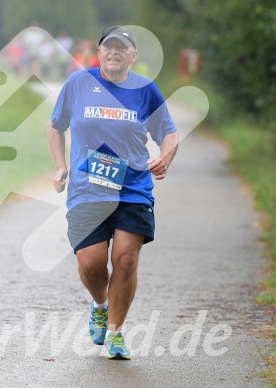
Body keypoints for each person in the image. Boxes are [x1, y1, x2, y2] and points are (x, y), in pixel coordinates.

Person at [48, 26, 178, 360]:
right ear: (99, 52)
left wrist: (164, 158)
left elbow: (169, 132)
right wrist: (61, 165)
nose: (115, 52)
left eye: (122, 48)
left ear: (133, 55)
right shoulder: (78, 84)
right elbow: (56, 125)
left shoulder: (145, 90)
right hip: (87, 188)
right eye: (109, 46)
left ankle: (117, 333)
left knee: (126, 258)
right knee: (91, 264)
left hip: (133, 187)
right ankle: (100, 305)